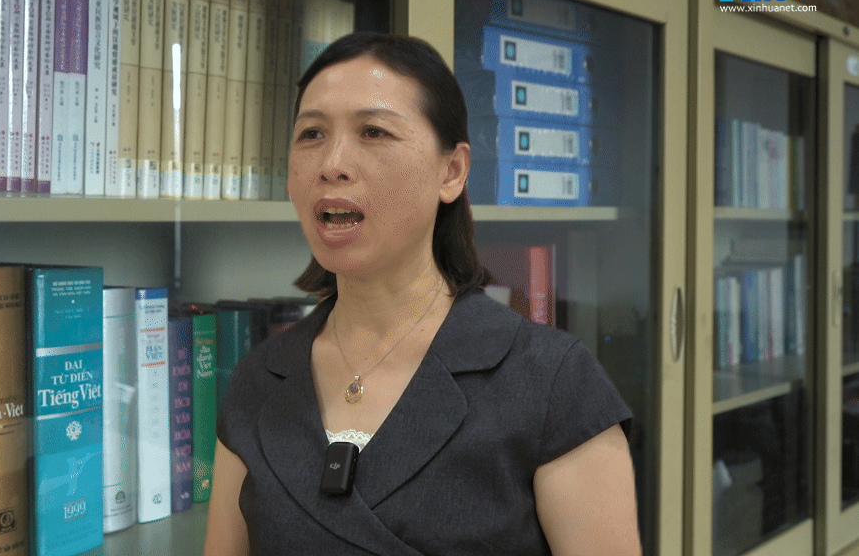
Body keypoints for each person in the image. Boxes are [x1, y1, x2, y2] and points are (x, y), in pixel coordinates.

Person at [204, 32, 640, 556]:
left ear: (451, 172)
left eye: (373, 131)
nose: (332, 163)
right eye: (312, 133)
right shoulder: (257, 381)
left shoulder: (553, 381)